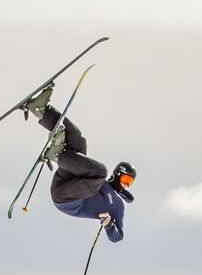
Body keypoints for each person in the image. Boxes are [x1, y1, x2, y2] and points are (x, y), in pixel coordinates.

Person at [23, 86, 135, 243]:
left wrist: (109, 225)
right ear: (117, 175)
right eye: (126, 180)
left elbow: (118, 237)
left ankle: (57, 155)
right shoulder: (98, 181)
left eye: (129, 183)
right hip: (66, 181)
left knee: (100, 172)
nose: (126, 185)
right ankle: (41, 109)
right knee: (78, 140)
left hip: (68, 200)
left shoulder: (117, 206)